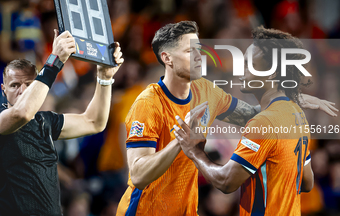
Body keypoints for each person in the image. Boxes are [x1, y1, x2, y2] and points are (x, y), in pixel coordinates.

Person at [116, 21, 336, 216]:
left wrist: (289, 100)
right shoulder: (148, 103)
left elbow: (256, 117)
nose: (198, 56)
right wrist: (180, 143)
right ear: (167, 58)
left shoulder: (207, 91)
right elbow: (137, 175)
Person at [0, 29, 124, 216]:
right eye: (15, 85)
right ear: (3, 90)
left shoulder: (45, 122)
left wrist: (105, 78)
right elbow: (22, 113)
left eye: (29, 85)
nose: (22, 90)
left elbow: (94, 122)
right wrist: (55, 60)